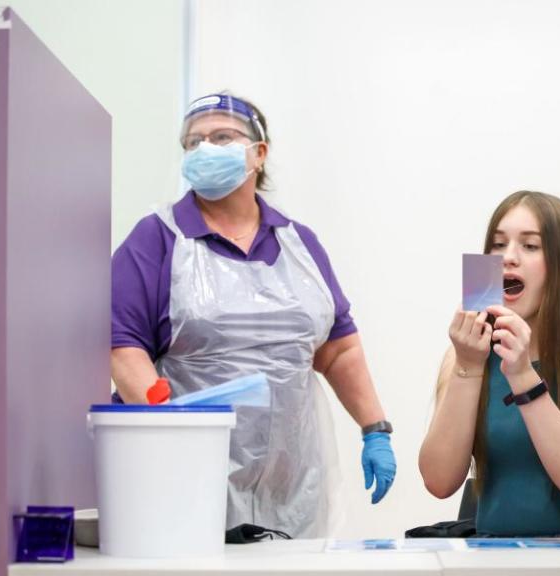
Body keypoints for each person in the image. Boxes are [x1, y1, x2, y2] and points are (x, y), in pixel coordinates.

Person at [110, 93, 396, 537]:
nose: (205, 149)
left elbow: (338, 349)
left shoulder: (299, 244)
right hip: (189, 480)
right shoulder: (157, 238)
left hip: (293, 484)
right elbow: (122, 346)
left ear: (259, 153)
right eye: (194, 142)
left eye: (222, 137)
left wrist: (374, 428)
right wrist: (169, 440)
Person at [419, 191, 560, 537]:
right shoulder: (466, 354)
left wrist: (523, 375)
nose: (508, 258)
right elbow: (439, 480)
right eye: (498, 244)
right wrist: (468, 366)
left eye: (530, 246)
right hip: (490, 560)